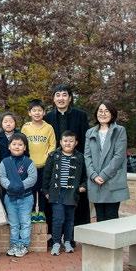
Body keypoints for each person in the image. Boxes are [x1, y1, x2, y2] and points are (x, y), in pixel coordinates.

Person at [44, 84, 91, 238]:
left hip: (76, 162)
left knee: (77, 199)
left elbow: (85, 141)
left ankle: (76, 234)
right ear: (53, 98)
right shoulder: (48, 118)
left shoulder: (80, 115)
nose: (61, 98)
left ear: (70, 98)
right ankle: (55, 235)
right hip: (56, 164)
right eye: (57, 95)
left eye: (64, 95)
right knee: (55, 201)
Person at [43, 131, 86, 255]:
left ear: (76, 143)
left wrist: (83, 186)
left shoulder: (80, 157)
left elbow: (85, 176)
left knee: (69, 219)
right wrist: (46, 191)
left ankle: (67, 241)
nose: (68, 143)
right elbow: (46, 175)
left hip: (71, 193)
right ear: (60, 142)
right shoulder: (53, 156)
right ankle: (56, 242)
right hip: (56, 193)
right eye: (65, 141)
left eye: (71, 141)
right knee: (58, 219)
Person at [84, 102, 129, 222]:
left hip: (112, 180)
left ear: (112, 113)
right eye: (100, 110)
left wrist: (103, 175)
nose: (103, 113)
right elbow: (87, 156)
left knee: (112, 218)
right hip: (95, 182)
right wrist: (93, 175)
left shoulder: (119, 131)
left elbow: (119, 156)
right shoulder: (90, 132)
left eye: (106, 111)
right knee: (100, 218)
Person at [0, 133, 37, 258]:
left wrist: (19, 186)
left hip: (26, 198)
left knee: (25, 222)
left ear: (25, 147)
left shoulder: (29, 162)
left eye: (20, 144)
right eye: (14, 144)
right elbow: (2, 177)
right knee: (14, 223)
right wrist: (10, 186)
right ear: (9, 146)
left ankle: (24, 245)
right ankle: (14, 244)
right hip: (10, 198)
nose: (17, 147)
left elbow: (32, 178)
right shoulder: (4, 162)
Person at [21, 99, 56, 227]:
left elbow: (52, 145)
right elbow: (22, 143)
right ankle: (30, 213)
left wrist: (48, 157)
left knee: (42, 191)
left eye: (39, 110)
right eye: (34, 110)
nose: (37, 113)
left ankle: (40, 212)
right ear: (29, 113)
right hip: (30, 166)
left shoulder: (48, 128)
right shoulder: (25, 127)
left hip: (44, 165)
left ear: (44, 112)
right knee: (30, 191)